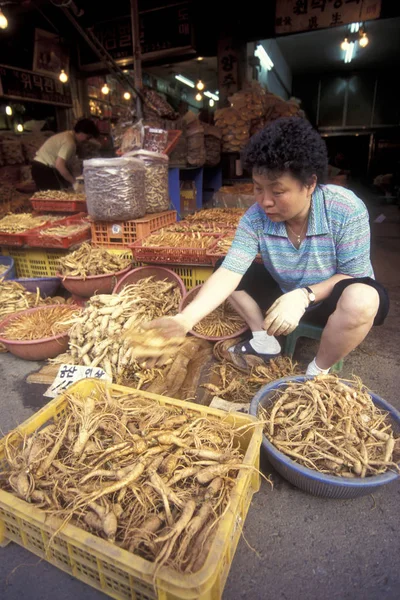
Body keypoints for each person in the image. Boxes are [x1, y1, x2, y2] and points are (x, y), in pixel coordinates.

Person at [146, 117, 389, 376]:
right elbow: (231, 271)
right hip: (283, 294)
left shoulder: (345, 208)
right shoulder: (254, 218)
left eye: (278, 191)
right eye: (258, 188)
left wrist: (304, 295)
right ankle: (264, 339)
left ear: (310, 184)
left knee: (362, 299)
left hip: (330, 299)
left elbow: (354, 274)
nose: (265, 201)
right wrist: (185, 319)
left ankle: (318, 370)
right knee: (223, 268)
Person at [32, 118, 99, 191]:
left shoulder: (68, 135)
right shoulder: (69, 143)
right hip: (43, 169)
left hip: (39, 166)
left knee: (64, 187)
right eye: (88, 137)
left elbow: (69, 164)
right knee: (56, 196)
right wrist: (74, 182)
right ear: (81, 132)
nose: (87, 141)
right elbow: (59, 165)